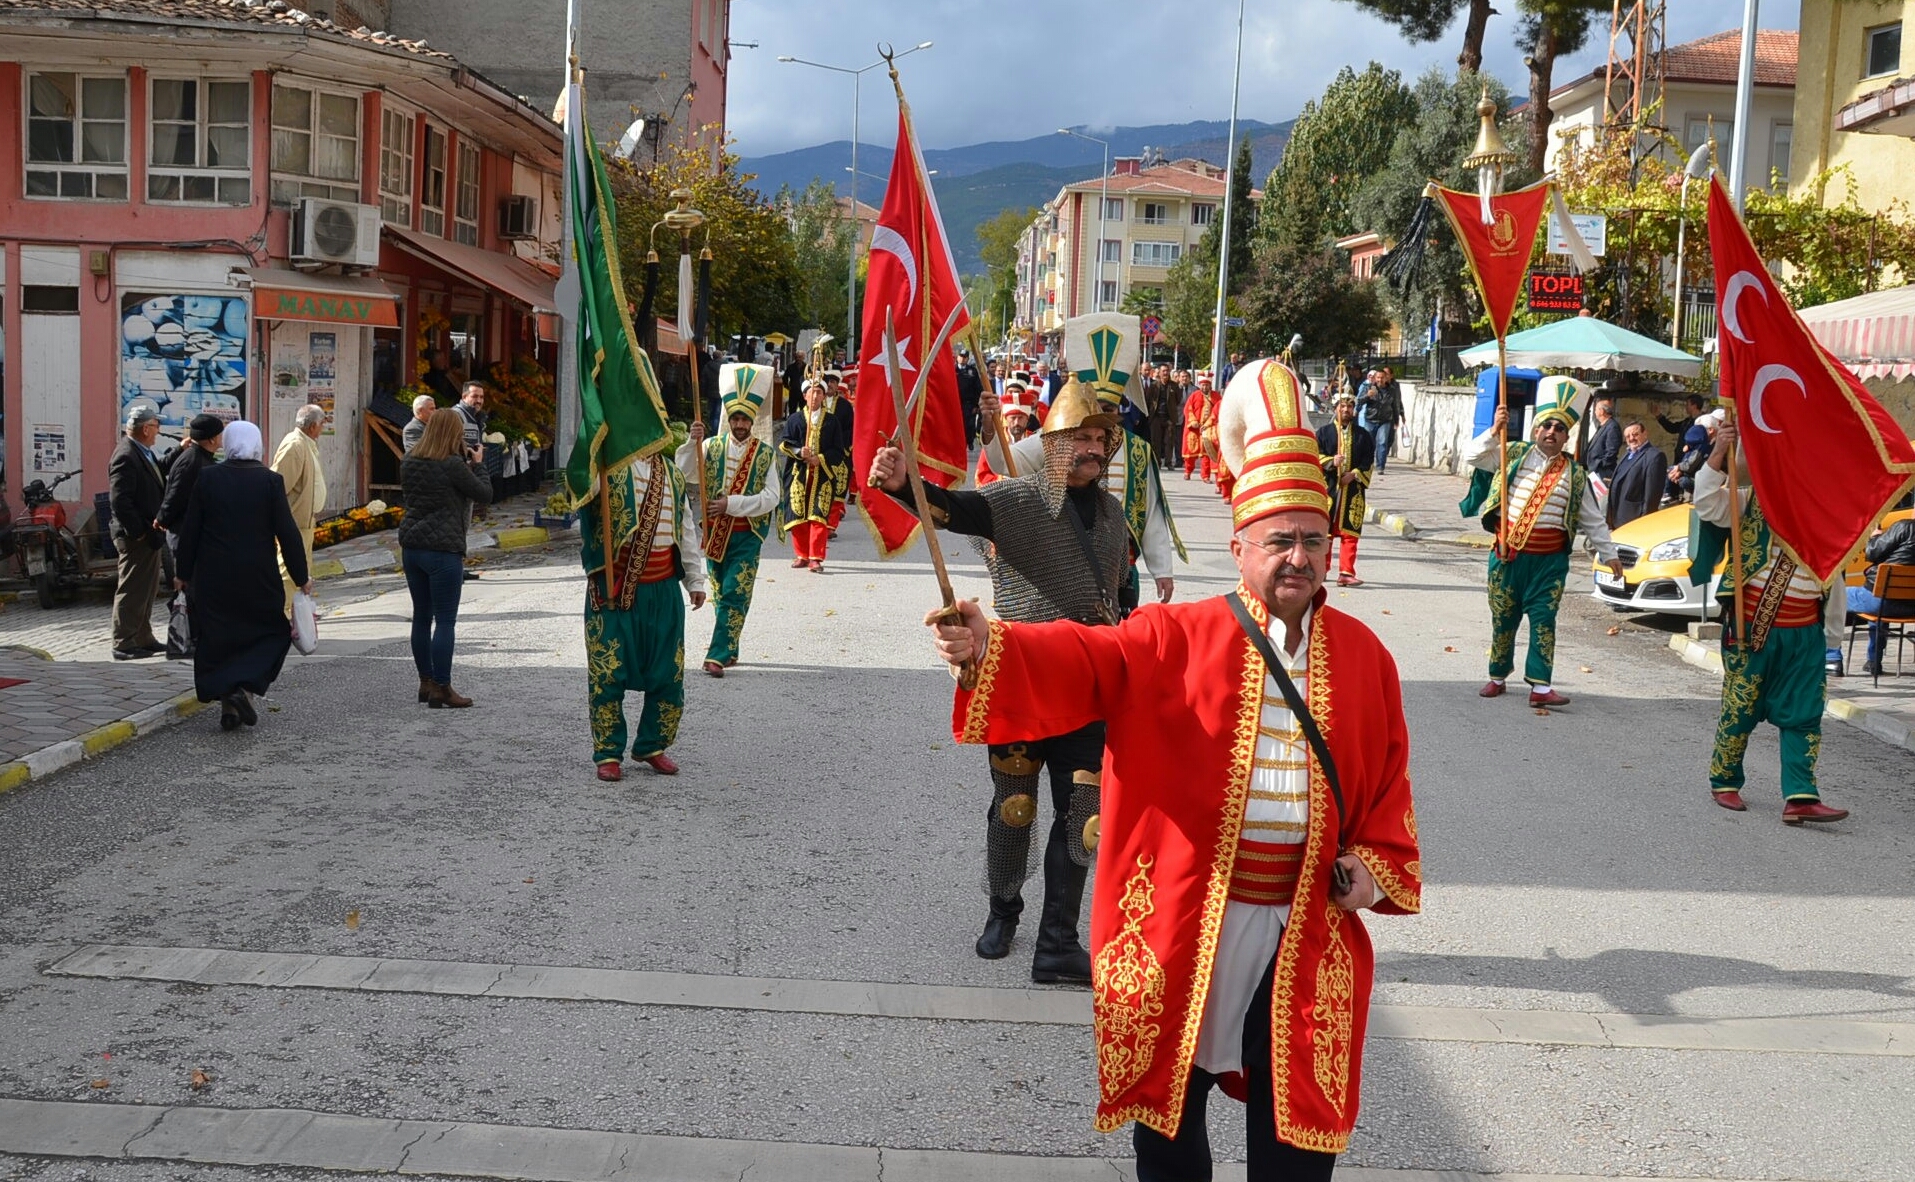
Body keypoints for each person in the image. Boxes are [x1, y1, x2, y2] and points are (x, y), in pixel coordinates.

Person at [926, 358, 1419, 1180]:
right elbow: (1089, 656)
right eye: (1278, 540)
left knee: (1297, 1138)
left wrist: (1373, 870)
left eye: (1311, 539)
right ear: (1238, 547)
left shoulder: (1366, 658)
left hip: (1305, 930)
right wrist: (991, 645)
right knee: (1167, 1123)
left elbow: (1388, 790)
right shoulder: (1174, 634)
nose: (1296, 557)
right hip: (1185, 918)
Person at [873, 380, 1131, 984]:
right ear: (1057, 443)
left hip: (1088, 682)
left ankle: (1059, 943)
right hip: (1019, 676)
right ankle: (1003, 910)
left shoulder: (1116, 516)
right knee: (1015, 809)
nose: (1093, 449)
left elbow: (1121, 593)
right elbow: (953, 509)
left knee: (1083, 815)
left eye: (1101, 439)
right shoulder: (1017, 500)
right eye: (1082, 439)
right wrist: (900, 484)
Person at [1692, 419, 1849, 823]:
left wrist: (1831, 637)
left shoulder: (1827, 517)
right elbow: (1707, 503)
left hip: (1804, 636)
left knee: (1805, 715)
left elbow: (1835, 578)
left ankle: (1800, 797)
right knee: (1739, 710)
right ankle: (1724, 781)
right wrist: (1716, 453)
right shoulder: (1748, 499)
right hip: (1752, 630)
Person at [990, 315, 1182, 608]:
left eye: (1109, 409)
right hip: (1062, 558)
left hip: (1120, 569)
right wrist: (991, 428)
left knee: (1116, 646)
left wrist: (1162, 571)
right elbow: (1005, 463)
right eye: (1097, 408)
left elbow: (1151, 513)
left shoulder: (1138, 450)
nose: (1103, 416)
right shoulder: (1058, 437)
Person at [1462, 379, 1623, 707]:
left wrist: (1610, 555)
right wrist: (1494, 430)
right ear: (1536, 430)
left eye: (1559, 428)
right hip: (1508, 558)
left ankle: (1540, 686)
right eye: (1546, 425)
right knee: (1503, 619)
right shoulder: (1511, 453)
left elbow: (1592, 519)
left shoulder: (1576, 474)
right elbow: (1472, 456)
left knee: (1544, 621)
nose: (1552, 431)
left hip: (1548, 565)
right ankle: (1496, 676)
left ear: (1567, 436)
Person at [578, 444, 708, 782]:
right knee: (608, 674)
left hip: (663, 590)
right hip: (614, 589)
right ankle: (607, 752)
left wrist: (694, 578)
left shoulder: (673, 474)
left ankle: (651, 744)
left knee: (668, 674)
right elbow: (579, 486)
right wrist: (592, 445)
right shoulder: (606, 467)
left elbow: (686, 528)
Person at [176, 421, 312, 731]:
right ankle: (242, 689)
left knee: (220, 636)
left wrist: (182, 573)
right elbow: (288, 534)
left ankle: (230, 701)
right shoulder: (269, 481)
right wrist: (301, 576)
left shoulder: (209, 478)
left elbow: (191, 529)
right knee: (270, 632)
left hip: (213, 575)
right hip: (258, 576)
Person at [683, 363, 781, 678]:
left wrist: (732, 504)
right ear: (729, 419)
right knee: (724, 595)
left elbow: (772, 497)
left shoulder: (765, 454)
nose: (740, 423)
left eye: (745, 419)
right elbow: (683, 472)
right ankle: (731, 646)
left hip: (747, 536)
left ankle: (717, 655)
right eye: (735, 418)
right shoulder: (710, 446)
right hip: (714, 536)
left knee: (736, 592)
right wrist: (690, 441)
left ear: (752, 421)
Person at [398, 410, 493, 708]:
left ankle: (425, 682)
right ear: (453, 433)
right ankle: (443, 687)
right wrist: (478, 465)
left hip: (412, 546)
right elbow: (484, 494)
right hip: (443, 549)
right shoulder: (453, 465)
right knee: (446, 621)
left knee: (421, 616)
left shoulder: (409, 461)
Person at [156, 414, 225, 660]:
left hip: (191, 532)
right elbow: (175, 495)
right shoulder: (193, 461)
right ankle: (186, 638)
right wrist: (162, 518)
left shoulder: (200, 458)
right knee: (188, 586)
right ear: (210, 438)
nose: (221, 438)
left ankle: (194, 635)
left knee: (196, 586)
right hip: (183, 533)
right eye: (219, 434)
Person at [108, 405, 169, 660]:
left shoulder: (142, 452)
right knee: (133, 588)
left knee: (147, 587)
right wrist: (139, 532)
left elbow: (157, 471)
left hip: (149, 533)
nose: (158, 431)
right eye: (156, 426)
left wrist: (180, 451)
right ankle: (123, 642)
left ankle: (142, 636)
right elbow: (120, 501)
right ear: (145, 428)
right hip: (136, 536)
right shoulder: (126, 455)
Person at [778, 379, 847, 573]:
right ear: (805, 395)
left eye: (819, 392)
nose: (815, 396)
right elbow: (784, 443)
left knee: (818, 515)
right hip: (798, 474)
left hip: (822, 475)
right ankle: (802, 554)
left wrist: (820, 458)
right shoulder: (795, 419)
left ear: (824, 396)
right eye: (811, 392)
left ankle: (816, 557)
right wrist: (799, 452)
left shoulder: (832, 421)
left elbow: (838, 450)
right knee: (798, 514)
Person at [271, 404, 327, 614]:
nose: (322, 428)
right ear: (313, 426)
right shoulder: (295, 445)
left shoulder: (307, 443)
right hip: (293, 520)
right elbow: (278, 485)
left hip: (305, 520)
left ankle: (295, 611)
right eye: (322, 424)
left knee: (302, 569)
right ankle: (282, 614)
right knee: (289, 569)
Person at [1317, 390, 1375, 587]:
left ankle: (1346, 572)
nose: (1346, 409)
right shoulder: (1323, 433)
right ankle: (1320, 569)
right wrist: (1331, 461)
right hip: (1329, 488)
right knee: (1325, 531)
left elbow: (1368, 461)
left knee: (1349, 533)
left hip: (1353, 489)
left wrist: (1354, 474)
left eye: (1349, 406)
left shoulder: (1363, 436)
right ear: (1336, 408)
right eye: (1342, 406)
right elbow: (1314, 456)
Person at [1851, 515, 1915, 674]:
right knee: (1881, 598)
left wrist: (1875, 536)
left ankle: (1833, 660)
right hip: (1912, 607)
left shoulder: (1904, 527)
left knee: (1834, 598)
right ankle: (1872, 661)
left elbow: (1871, 553)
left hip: (1882, 602)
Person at [1605, 421, 1667, 529]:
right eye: (1627, 436)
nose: (1631, 438)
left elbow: (1651, 496)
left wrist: (1644, 522)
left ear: (1645, 433)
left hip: (1634, 519)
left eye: (1635, 434)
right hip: (1618, 517)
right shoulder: (1628, 454)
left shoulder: (1654, 456)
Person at [821, 370, 855, 537]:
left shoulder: (844, 405)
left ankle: (831, 526)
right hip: (819, 455)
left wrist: (845, 446)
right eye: (827, 381)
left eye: (833, 381)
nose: (830, 384)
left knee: (838, 490)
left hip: (840, 454)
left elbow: (851, 428)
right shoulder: (814, 404)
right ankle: (819, 524)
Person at [1357, 367, 1404, 475]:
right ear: (1375, 378)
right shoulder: (1369, 388)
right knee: (1369, 443)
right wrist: (1367, 396)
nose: (1380, 380)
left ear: (1386, 378)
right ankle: (1366, 464)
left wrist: (1397, 419)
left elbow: (1395, 405)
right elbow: (1359, 401)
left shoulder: (1391, 390)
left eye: (1382, 377)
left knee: (1382, 442)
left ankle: (1380, 466)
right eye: (1378, 377)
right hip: (1370, 419)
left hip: (1385, 420)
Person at [1182, 373, 1216, 481]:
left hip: (1208, 429)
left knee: (1207, 453)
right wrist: (1193, 421)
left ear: (1210, 385)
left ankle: (1205, 476)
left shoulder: (1216, 396)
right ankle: (1187, 471)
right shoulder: (1194, 395)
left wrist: (1208, 424)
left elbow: (1217, 412)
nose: (1204, 387)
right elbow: (1188, 409)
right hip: (1194, 428)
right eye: (1202, 385)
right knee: (1190, 452)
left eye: (1206, 385)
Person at [1584, 397, 1622, 484]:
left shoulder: (1612, 427)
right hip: (1595, 472)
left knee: (1601, 497)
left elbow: (1611, 452)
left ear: (1602, 411)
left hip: (1602, 473)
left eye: (1596, 409)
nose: (1595, 412)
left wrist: (1598, 464)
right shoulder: (1603, 426)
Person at [956, 348, 984, 450]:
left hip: (969, 404)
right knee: (957, 424)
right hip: (956, 403)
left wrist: (976, 405)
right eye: (961, 357)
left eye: (965, 357)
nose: (963, 359)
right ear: (957, 357)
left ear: (967, 359)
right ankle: (959, 443)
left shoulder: (972, 371)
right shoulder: (953, 369)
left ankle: (970, 441)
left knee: (969, 425)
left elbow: (978, 388)